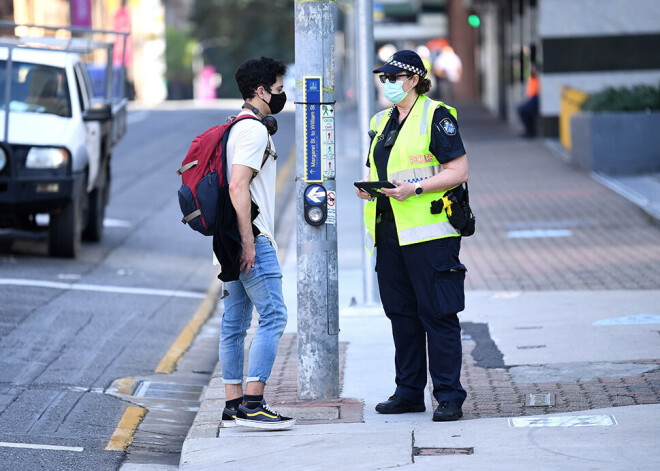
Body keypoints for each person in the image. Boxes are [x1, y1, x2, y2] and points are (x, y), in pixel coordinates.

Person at [355, 50, 469, 422]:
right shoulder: (381, 120)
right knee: (402, 315)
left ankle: (449, 397)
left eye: (392, 77)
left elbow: (459, 170)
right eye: (383, 77)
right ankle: (408, 393)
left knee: (437, 314)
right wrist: (369, 188)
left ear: (414, 79)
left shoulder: (436, 116)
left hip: (430, 233)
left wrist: (416, 188)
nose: (386, 83)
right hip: (390, 234)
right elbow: (380, 168)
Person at [217, 57, 294, 430]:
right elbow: (237, 186)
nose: (282, 96)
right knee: (274, 315)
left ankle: (233, 405)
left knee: (234, 323)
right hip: (249, 238)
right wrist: (250, 242)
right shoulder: (253, 132)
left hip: (228, 239)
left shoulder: (236, 127)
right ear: (261, 91)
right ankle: (253, 403)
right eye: (279, 90)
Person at [517, 65, 539, 137]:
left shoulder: (537, 79)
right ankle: (529, 130)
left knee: (522, 110)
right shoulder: (531, 79)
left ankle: (530, 131)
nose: (532, 70)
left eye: (533, 69)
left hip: (536, 99)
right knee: (522, 109)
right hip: (532, 99)